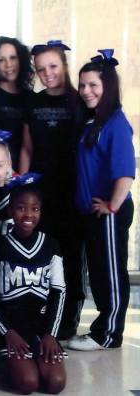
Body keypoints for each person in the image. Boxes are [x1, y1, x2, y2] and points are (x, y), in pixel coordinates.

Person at [68, 50, 135, 352]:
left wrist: (112, 206)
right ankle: (101, 328)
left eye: (93, 85)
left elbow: (125, 172)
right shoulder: (94, 121)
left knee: (110, 273)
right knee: (97, 272)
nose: (86, 91)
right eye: (82, 85)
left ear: (108, 86)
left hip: (109, 212)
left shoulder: (116, 123)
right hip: (91, 214)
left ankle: (108, 334)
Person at [19, 40, 82, 341]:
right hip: (41, 193)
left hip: (71, 193)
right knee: (40, 254)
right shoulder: (34, 103)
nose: (48, 73)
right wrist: (22, 186)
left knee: (70, 256)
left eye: (53, 66)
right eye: (41, 69)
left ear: (64, 65)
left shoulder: (79, 101)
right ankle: (39, 317)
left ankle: (69, 318)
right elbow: (27, 148)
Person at [0, 173, 67, 394]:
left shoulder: (51, 245)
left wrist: (51, 334)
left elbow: (58, 292)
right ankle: (4, 360)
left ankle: (37, 355)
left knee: (56, 383)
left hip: (40, 327)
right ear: (10, 211)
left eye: (35, 209)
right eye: (21, 207)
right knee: (28, 383)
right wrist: (7, 332)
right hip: (11, 329)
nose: (28, 214)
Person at [0, 36, 34, 170]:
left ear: (21, 59)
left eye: (13, 58)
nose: (8, 64)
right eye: (1, 60)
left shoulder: (30, 96)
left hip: (26, 170)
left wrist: (22, 178)